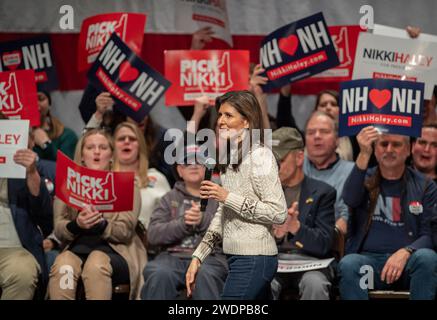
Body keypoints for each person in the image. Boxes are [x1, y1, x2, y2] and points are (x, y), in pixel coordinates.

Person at [185, 90, 287, 300]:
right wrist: (199, 256)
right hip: (236, 257)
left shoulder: (260, 156)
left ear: (247, 121)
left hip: (255, 258)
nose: (221, 121)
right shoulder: (229, 157)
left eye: (228, 115)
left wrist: (226, 196)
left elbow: (278, 213)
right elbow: (223, 211)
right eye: (220, 115)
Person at [338, 126, 437, 300]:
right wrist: (363, 153)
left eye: (396, 144)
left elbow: (429, 234)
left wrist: (406, 251)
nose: (389, 150)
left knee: (427, 258)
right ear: (375, 150)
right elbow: (350, 199)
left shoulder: (425, 186)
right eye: (383, 144)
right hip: (369, 266)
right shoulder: (364, 178)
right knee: (349, 264)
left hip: (408, 266)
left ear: (408, 150)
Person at [48, 128, 147, 300]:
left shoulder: (127, 185)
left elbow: (125, 231)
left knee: (96, 263)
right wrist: (76, 224)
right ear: (82, 155)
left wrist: (101, 224)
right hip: (76, 249)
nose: (96, 152)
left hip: (116, 251)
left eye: (102, 147)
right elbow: (58, 228)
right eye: (90, 147)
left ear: (111, 155)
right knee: (63, 265)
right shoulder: (68, 182)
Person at [141, 144, 228, 300]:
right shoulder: (169, 198)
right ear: (179, 170)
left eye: (198, 161)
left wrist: (202, 220)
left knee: (207, 274)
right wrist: (183, 223)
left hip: (211, 258)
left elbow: (232, 233)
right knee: (159, 272)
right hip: (173, 258)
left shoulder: (220, 196)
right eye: (187, 162)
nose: (193, 166)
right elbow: (153, 235)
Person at [270, 127, 336, 300]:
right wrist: (276, 236)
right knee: (257, 281)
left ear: (299, 157)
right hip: (272, 262)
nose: (273, 167)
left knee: (315, 284)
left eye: (280, 160)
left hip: (311, 263)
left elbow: (323, 244)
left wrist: (296, 228)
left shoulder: (323, 192)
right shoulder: (262, 192)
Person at [0, 121, 53, 299]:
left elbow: (45, 218)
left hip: (14, 248)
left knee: (23, 272)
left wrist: (31, 173)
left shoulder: (27, 171)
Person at [304, 111, 354, 235]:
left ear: (337, 140)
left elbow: (348, 216)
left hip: (331, 245)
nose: (317, 136)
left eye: (324, 132)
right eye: (311, 132)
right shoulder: (295, 167)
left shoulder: (352, 172)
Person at [113, 122, 171, 229]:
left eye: (132, 139)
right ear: (113, 146)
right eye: (121, 139)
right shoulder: (104, 180)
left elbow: (171, 216)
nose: (126, 142)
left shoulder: (157, 178)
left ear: (140, 145)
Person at [33, 91, 78, 160]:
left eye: (41, 99)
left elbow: (66, 167)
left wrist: (46, 145)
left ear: (49, 104)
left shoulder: (67, 135)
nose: (36, 104)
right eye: (29, 100)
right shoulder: (15, 135)